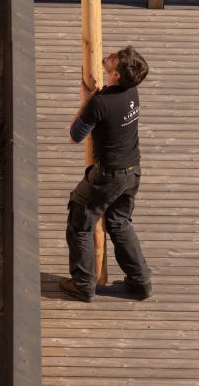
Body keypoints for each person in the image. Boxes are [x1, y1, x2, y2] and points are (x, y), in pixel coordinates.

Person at [59, 46, 153, 303]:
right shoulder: (133, 92)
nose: (110, 54)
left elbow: (74, 136)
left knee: (80, 220)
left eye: (115, 58)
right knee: (119, 223)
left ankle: (83, 285)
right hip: (133, 172)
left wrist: (86, 103)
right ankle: (141, 282)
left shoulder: (100, 102)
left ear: (117, 75)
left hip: (108, 176)